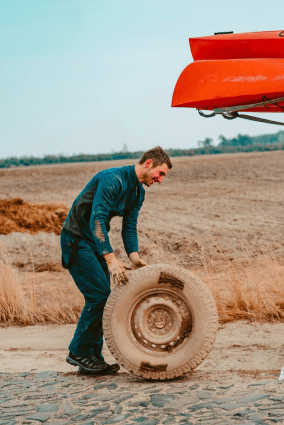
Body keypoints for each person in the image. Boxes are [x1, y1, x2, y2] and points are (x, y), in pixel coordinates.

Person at [60, 146, 172, 374]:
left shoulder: (138, 193)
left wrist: (134, 257)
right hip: (77, 239)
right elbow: (98, 219)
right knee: (99, 296)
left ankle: (92, 358)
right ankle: (78, 352)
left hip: (94, 242)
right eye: (160, 174)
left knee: (105, 298)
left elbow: (129, 227)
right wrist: (111, 260)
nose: (160, 180)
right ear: (148, 163)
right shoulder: (113, 179)